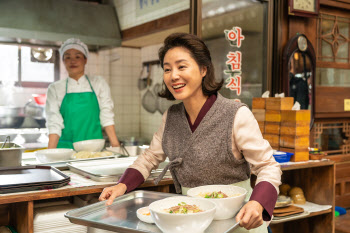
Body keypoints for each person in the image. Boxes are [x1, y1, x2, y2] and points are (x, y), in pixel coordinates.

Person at [99, 33, 281, 232]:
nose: (173, 75)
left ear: (204, 69)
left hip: (238, 221)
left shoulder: (236, 114)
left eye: (181, 66)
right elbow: (150, 157)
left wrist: (258, 203)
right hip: (192, 220)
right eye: (167, 69)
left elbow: (268, 166)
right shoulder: (171, 117)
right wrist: (122, 185)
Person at [45, 38, 120, 149]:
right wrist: (50, 153)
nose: (72, 61)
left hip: (94, 149)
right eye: (67, 57)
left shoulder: (98, 83)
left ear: (85, 60)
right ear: (63, 61)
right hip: (66, 149)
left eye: (77, 56)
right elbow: (54, 122)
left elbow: (107, 116)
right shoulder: (55, 88)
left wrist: (116, 146)